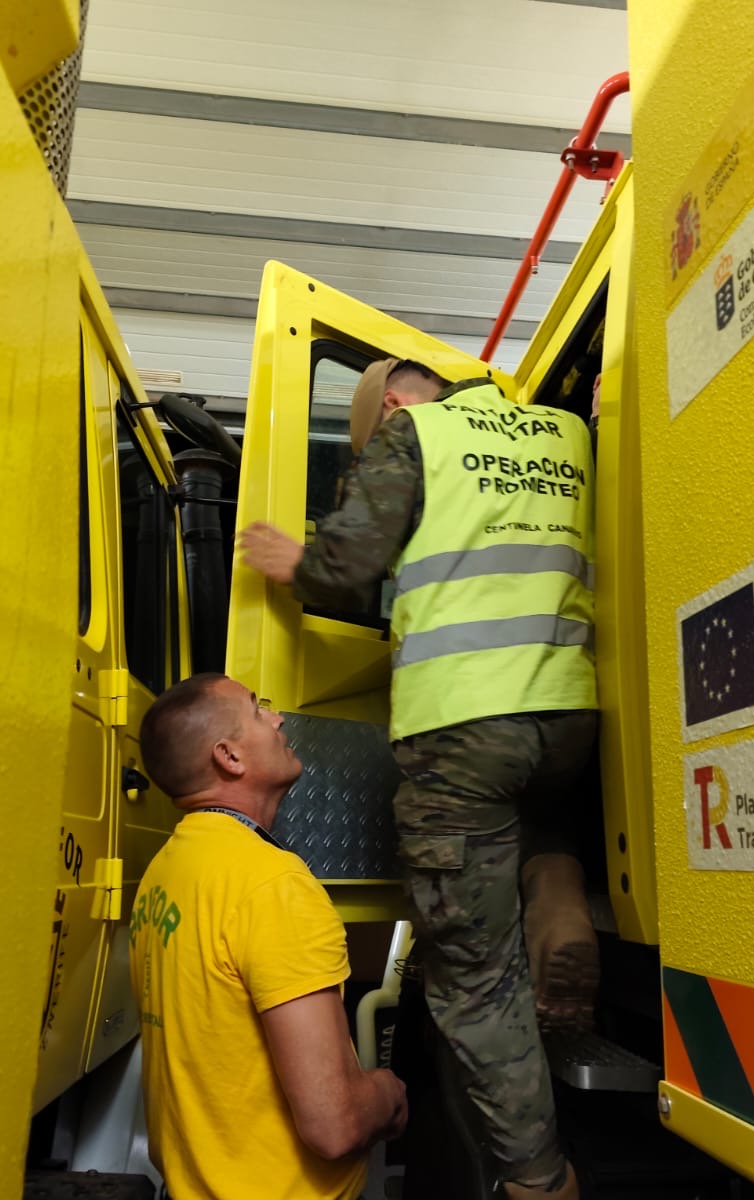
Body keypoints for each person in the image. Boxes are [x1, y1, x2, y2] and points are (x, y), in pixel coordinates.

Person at [239, 360, 597, 1200]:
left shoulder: (414, 435)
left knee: (476, 982)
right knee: (531, 825)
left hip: (463, 727)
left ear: (393, 404)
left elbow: (346, 566)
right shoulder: (566, 431)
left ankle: (539, 1182)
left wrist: (299, 561)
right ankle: (556, 888)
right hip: (568, 719)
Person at [127, 672, 408, 1200]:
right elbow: (335, 1124)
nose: (277, 719)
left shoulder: (165, 873)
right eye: (259, 711)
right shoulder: (272, 886)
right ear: (229, 757)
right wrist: (388, 1094)